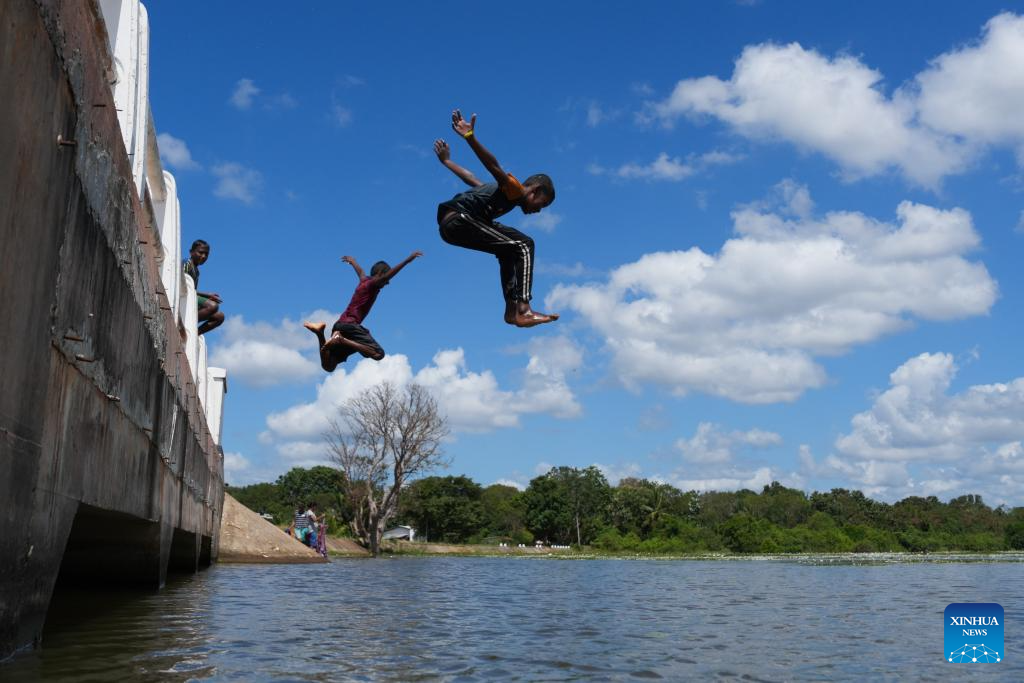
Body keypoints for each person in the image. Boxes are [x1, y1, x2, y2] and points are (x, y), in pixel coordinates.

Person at [435, 109, 559, 328]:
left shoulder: (501, 195)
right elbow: (493, 166)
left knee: (508, 251)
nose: (539, 211)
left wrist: (447, 162)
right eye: (542, 204)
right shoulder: (514, 189)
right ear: (535, 191)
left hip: (451, 226)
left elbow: (471, 179)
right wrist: (470, 137)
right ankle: (524, 309)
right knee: (524, 244)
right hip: (460, 219)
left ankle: (511, 312)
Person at [303, 251, 422, 372]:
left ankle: (320, 332)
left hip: (339, 325)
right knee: (378, 353)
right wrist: (407, 260)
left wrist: (353, 262)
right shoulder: (373, 284)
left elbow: (360, 272)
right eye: (385, 279)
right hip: (350, 326)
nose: (387, 283)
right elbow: (387, 277)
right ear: (380, 274)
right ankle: (340, 339)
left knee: (329, 365)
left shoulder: (364, 280)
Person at [182, 239, 225, 335]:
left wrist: (206, 297)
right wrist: (207, 295)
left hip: (190, 299)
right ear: (191, 252)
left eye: (206, 254)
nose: (203, 256)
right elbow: (183, 286)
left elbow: (193, 291)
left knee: (219, 317)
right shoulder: (187, 263)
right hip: (183, 298)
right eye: (200, 252)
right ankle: (188, 323)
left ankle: (194, 334)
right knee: (212, 306)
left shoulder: (196, 271)